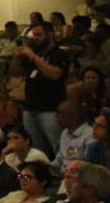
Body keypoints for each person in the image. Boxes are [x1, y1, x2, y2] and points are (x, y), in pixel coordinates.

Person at [17, 22, 70, 155]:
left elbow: (55, 75)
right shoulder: (33, 52)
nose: (36, 38)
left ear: (50, 34)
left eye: (39, 35)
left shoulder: (59, 54)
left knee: (57, 145)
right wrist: (18, 55)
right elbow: (17, 72)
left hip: (49, 108)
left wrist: (35, 57)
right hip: (30, 106)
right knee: (36, 148)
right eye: (34, 35)